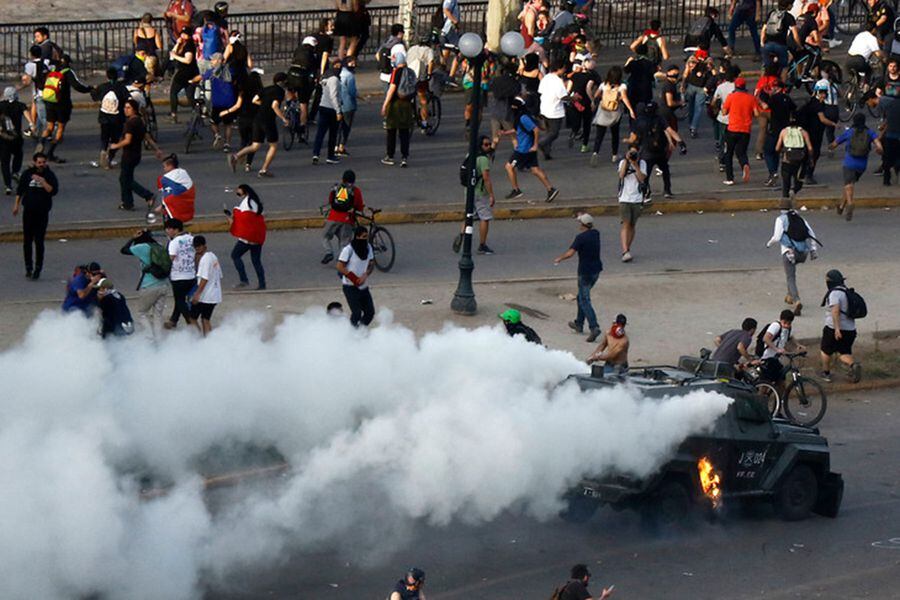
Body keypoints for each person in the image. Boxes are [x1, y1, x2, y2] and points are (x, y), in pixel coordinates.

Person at [228, 72, 292, 178]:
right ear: (282, 82)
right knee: (273, 145)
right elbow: (275, 106)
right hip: (268, 120)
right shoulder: (280, 91)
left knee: (255, 145)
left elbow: (254, 100)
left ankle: (236, 156)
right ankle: (264, 169)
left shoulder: (266, 89)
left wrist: (264, 105)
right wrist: (283, 118)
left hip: (258, 118)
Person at [766, 197, 820, 315]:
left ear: (781, 208)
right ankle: (790, 295)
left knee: (790, 276)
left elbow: (777, 237)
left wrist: (769, 244)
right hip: (803, 253)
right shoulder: (799, 218)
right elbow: (811, 233)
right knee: (791, 273)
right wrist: (813, 250)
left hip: (789, 253)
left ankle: (797, 300)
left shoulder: (780, 219)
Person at [555, 213, 603, 342]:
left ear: (583, 225)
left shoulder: (580, 238)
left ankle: (594, 327)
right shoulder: (596, 234)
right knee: (581, 297)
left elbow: (570, 253)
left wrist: (560, 258)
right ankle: (579, 323)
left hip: (585, 272)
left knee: (584, 300)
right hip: (596, 271)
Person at [501, 97, 559, 202]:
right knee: (535, 170)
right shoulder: (521, 117)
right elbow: (518, 129)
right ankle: (550, 189)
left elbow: (535, 129)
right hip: (528, 148)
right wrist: (505, 133)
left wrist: (535, 145)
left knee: (509, 167)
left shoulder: (523, 118)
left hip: (524, 149)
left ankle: (516, 190)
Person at [110, 99, 163, 214]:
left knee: (126, 180)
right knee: (125, 178)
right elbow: (147, 137)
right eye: (125, 107)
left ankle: (147, 196)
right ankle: (127, 203)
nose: (125, 110)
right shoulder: (139, 121)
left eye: (128, 108)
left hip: (129, 155)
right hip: (136, 154)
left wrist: (115, 146)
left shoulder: (130, 123)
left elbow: (127, 140)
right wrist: (157, 149)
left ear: (134, 109)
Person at [38, 54, 93, 163]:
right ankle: (50, 153)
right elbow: (77, 86)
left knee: (49, 127)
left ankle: (40, 147)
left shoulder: (53, 71)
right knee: (60, 128)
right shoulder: (68, 72)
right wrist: (89, 89)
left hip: (49, 102)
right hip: (62, 104)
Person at [12, 151, 57, 280]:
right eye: (39, 163)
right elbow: (20, 190)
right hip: (28, 212)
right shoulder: (27, 174)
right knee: (27, 240)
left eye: (43, 162)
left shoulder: (49, 175)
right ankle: (28, 267)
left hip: (42, 212)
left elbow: (53, 191)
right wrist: (16, 205)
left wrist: (42, 181)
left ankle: (38, 267)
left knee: (39, 241)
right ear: (34, 163)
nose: (41, 165)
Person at [829, 113, 882, 221]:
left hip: (849, 162)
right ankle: (841, 207)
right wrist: (879, 151)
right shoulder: (870, 132)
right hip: (862, 165)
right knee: (850, 185)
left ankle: (850, 203)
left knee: (848, 184)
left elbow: (834, 144)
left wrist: (830, 147)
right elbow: (879, 146)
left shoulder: (849, 132)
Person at [120, 229, 170, 341]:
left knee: (142, 313)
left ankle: (150, 337)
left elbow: (124, 250)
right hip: (164, 285)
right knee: (158, 314)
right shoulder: (159, 246)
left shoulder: (142, 247)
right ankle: (159, 339)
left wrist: (133, 238)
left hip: (149, 286)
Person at [631, 101, 685, 198]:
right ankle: (667, 190)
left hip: (647, 151)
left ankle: (645, 191)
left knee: (645, 173)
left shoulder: (640, 121)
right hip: (660, 151)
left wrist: (633, 147)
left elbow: (634, 137)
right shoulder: (659, 119)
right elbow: (670, 131)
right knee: (665, 171)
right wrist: (680, 142)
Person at [453, 136, 496, 255]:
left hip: (468, 190)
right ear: (481, 146)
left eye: (489, 144)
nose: (488, 147)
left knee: (469, 214)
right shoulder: (483, 159)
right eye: (486, 145)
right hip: (480, 192)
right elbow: (486, 178)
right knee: (485, 218)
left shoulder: (470, 155)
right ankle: (482, 245)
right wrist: (491, 194)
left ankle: (462, 233)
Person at [819, 269, 862, 383]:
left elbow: (836, 311)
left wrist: (837, 329)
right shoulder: (846, 291)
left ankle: (826, 373)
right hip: (850, 328)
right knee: (844, 352)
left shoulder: (834, 293)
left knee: (825, 350)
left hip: (833, 328)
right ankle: (853, 365)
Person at [591, 66, 634, 166]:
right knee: (615, 133)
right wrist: (631, 110)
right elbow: (624, 98)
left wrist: (594, 102)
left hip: (603, 111)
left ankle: (595, 152)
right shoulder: (622, 86)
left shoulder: (604, 85)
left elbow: (596, 95)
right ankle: (614, 155)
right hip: (615, 112)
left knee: (599, 134)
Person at [227, 184, 266, 290]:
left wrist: (233, 218)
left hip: (247, 238)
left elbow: (243, 218)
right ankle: (262, 284)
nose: (238, 195)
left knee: (235, 255)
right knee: (256, 261)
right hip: (257, 237)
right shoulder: (255, 202)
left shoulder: (247, 203)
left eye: (239, 193)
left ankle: (244, 280)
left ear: (245, 192)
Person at [759, 80, 797, 187]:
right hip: (786, 130)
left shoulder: (774, 99)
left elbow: (766, 107)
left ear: (778, 88)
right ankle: (776, 173)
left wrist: (760, 101)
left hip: (775, 130)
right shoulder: (787, 98)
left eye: (774, 87)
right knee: (777, 152)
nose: (772, 88)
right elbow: (794, 108)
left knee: (768, 151)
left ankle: (773, 172)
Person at [721, 77, 759, 185]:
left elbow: (724, 112)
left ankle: (730, 178)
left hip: (732, 128)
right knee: (741, 152)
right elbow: (756, 114)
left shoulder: (731, 97)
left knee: (728, 154)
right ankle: (745, 164)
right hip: (745, 130)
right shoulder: (751, 98)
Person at [798, 81, 838, 184]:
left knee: (807, 153)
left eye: (825, 93)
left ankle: (803, 173)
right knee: (814, 154)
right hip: (814, 133)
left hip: (810, 132)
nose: (823, 95)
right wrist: (834, 124)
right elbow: (822, 119)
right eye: (822, 92)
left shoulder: (812, 102)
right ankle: (808, 174)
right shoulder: (818, 105)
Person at [381, 50, 415, 167]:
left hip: (395, 104)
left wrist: (385, 104)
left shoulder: (396, 72)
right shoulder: (411, 72)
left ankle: (390, 155)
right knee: (404, 132)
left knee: (391, 131)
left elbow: (392, 89)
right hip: (407, 105)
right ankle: (404, 157)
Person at [322, 169, 364, 264]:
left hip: (333, 217)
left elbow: (330, 200)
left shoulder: (336, 187)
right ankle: (341, 260)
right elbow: (359, 206)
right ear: (354, 180)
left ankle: (329, 252)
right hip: (347, 220)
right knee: (344, 241)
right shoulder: (356, 191)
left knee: (325, 236)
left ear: (343, 179)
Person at [337, 226, 376, 327]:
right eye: (363, 236)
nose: (365, 239)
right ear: (357, 237)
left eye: (367, 236)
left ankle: (360, 331)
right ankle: (352, 333)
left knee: (369, 313)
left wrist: (365, 275)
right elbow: (340, 266)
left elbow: (371, 263)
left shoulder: (368, 247)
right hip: (350, 287)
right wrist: (354, 278)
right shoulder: (348, 250)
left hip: (363, 287)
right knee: (357, 313)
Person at [91, 68, 128, 170]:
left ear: (107, 76)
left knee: (104, 138)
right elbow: (127, 99)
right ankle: (110, 158)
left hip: (104, 118)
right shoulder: (121, 87)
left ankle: (103, 153)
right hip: (118, 118)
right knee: (115, 139)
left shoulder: (102, 87)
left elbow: (94, 96)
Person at [616, 145, 647, 263]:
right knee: (625, 224)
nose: (633, 154)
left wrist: (635, 164)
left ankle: (627, 248)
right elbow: (621, 175)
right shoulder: (623, 162)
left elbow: (641, 178)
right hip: (624, 198)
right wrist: (627, 161)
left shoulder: (642, 163)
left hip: (637, 198)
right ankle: (624, 251)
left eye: (635, 152)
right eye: (631, 152)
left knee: (632, 225)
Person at [163, 218, 195, 330]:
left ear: (176, 229)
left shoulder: (174, 242)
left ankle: (190, 322)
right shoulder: (192, 238)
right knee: (180, 299)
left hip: (178, 276)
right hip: (191, 274)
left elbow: (170, 259)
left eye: (168, 228)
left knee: (180, 300)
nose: (167, 231)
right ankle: (173, 320)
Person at [757, 309, 802, 386]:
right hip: (767, 359)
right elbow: (766, 338)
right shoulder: (775, 326)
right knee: (766, 384)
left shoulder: (787, 328)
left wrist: (798, 345)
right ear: (781, 320)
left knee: (781, 382)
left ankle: (781, 398)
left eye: (789, 323)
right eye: (785, 323)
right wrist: (777, 349)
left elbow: (790, 337)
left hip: (775, 359)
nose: (787, 325)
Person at [775, 113, 814, 199]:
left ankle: (785, 203)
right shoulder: (803, 132)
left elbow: (777, 148)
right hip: (799, 162)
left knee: (786, 184)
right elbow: (810, 148)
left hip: (787, 160)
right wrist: (811, 159)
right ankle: (794, 190)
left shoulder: (784, 132)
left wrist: (783, 151)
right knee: (799, 182)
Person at [190, 235, 223, 336]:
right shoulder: (213, 256)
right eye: (195, 247)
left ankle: (199, 340)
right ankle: (209, 342)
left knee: (192, 318)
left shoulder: (205, 259)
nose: (197, 249)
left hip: (206, 296)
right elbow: (219, 275)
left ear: (205, 246)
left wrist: (197, 294)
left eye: (199, 246)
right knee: (205, 319)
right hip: (214, 294)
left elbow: (204, 278)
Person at [312, 59, 344, 165]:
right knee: (332, 134)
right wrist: (338, 111)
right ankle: (330, 156)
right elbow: (334, 96)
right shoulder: (334, 79)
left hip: (323, 106)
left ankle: (316, 154)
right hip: (332, 109)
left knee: (320, 133)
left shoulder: (325, 77)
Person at [0, 87, 29, 195]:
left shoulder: (1, 105)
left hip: (3, 138)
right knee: (18, 154)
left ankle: (8, 185)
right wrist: (32, 124)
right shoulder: (20, 105)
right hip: (16, 137)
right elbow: (27, 114)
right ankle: (15, 171)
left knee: (4, 162)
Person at [538, 60, 568, 159]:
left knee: (548, 131)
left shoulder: (546, 77)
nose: (564, 70)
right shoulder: (558, 81)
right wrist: (573, 98)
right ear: (559, 69)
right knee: (554, 133)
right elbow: (563, 96)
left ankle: (547, 152)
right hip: (555, 110)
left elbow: (540, 91)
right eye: (563, 68)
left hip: (544, 107)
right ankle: (541, 143)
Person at [168, 26, 199, 122]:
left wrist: (176, 56)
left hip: (185, 73)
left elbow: (188, 60)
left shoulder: (189, 45)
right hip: (187, 72)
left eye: (185, 34)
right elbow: (171, 56)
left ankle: (174, 114)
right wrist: (177, 44)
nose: (183, 35)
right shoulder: (182, 44)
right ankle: (197, 113)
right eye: (182, 33)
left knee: (174, 92)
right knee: (190, 95)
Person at [155, 153, 195, 224]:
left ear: (170, 166)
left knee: (170, 225)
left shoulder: (165, 179)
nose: (164, 169)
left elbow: (169, 196)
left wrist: (162, 206)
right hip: (185, 207)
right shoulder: (183, 173)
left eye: (164, 166)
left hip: (172, 210)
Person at [682, 50, 713, 138]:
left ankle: (691, 123)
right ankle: (693, 128)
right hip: (702, 88)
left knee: (691, 106)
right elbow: (714, 73)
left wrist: (683, 85)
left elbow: (686, 73)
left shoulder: (692, 61)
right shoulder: (708, 63)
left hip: (691, 86)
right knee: (698, 109)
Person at [760, 0, 798, 71]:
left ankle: (763, 81)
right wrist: (799, 46)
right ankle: (782, 81)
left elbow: (763, 30)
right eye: (792, 5)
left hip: (768, 44)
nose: (792, 6)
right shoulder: (789, 16)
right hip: (780, 45)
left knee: (765, 67)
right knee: (784, 67)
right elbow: (795, 35)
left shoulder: (771, 13)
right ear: (788, 5)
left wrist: (762, 43)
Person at [336, 57, 358, 156]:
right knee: (346, 126)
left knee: (337, 126)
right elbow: (352, 91)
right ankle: (341, 146)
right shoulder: (350, 76)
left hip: (337, 103)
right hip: (348, 105)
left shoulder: (339, 73)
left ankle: (335, 145)